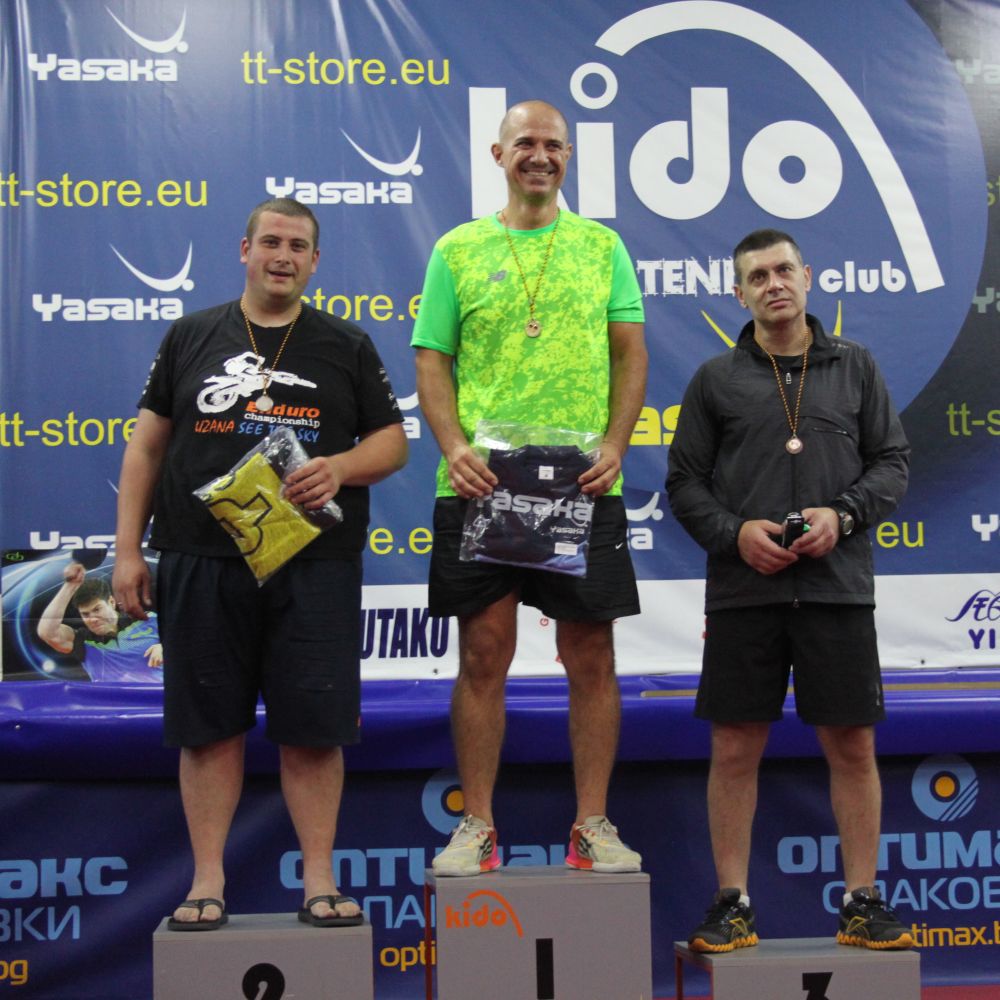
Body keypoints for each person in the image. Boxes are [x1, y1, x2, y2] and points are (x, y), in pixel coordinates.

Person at [113, 197, 407, 930]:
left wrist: (340, 467)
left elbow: (393, 443)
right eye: (271, 241)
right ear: (244, 250)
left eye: (298, 246)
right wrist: (127, 550)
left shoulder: (345, 343)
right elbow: (146, 447)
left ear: (315, 261)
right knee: (208, 727)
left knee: (315, 728)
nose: (283, 256)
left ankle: (319, 881)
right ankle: (206, 881)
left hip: (315, 564)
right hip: (199, 558)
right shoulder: (191, 335)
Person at [411, 100, 648, 876]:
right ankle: (476, 825)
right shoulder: (455, 249)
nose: (539, 156)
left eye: (553, 144)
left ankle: (593, 825)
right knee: (483, 653)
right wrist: (453, 447)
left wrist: (617, 444)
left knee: (591, 655)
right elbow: (431, 358)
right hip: (482, 484)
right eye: (525, 144)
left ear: (568, 156)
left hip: (582, 483)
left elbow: (630, 353)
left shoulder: (603, 246)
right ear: (497, 154)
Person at [666, 228, 913, 951]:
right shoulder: (715, 379)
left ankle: (862, 901)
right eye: (757, 276)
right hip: (746, 592)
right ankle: (732, 903)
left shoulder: (856, 367)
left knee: (853, 746)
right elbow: (684, 483)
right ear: (738, 294)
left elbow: (893, 462)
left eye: (783, 270)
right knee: (735, 747)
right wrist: (735, 532)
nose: (772, 284)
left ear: (807, 276)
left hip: (838, 590)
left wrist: (845, 514)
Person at [37, 559, 163, 683]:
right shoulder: (85, 642)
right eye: (85, 614)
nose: (92, 619)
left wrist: (165, 648)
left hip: (157, 695)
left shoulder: (147, 620)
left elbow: (176, 641)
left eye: (97, 609)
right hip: (111, 696)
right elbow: (47, 633)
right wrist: (69, 586)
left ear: (111, 602)